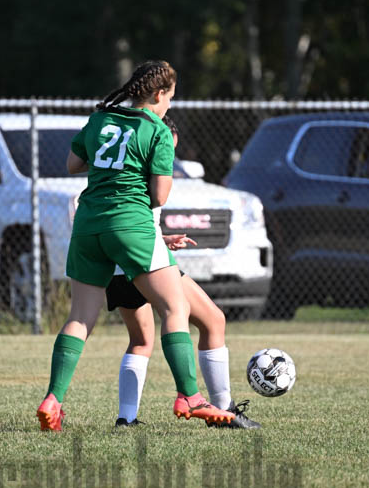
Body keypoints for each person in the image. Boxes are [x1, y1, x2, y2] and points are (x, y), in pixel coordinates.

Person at [36, 60, 237, 431]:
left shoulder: (100, 120)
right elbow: (158, 197)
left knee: (80, 318)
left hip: (88, 225)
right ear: (159, 94)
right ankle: (190, 396)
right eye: (170, 99)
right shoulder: (157, 130)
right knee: (174, 306)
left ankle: (53, 398)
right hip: (130, 224)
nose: (169, 107)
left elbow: (72, 164)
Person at [110, 116, 260, 429]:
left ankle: (126, 419)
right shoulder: (151, 172)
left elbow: (127, 222)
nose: (168, 156)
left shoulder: (118, 167)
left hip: (116, 261)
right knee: (212, 319)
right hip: (146, 260)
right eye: (167, 148)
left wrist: (162, 237)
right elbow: (152, 203)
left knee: (140, 340)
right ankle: (222, 409)